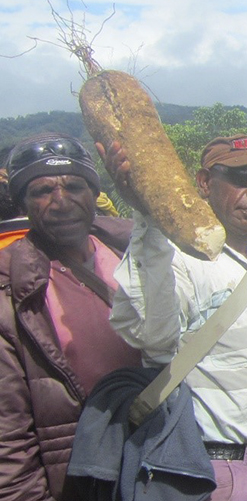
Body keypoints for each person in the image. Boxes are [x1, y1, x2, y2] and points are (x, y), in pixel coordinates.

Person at [103, 134, 247, 501]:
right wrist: (147, 217)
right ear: (204, 183)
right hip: (226, 475)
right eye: (244, 177)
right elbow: (150, 336)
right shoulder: (175, 261)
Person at [0, 133, 140, 499]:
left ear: (95, 193)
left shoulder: (137, 254)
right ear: (23, 203)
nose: (61, 201)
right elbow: (9, 434)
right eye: (42, 190)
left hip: (159, 459)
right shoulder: (14, 291)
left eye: (74, 186)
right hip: (82, 477)